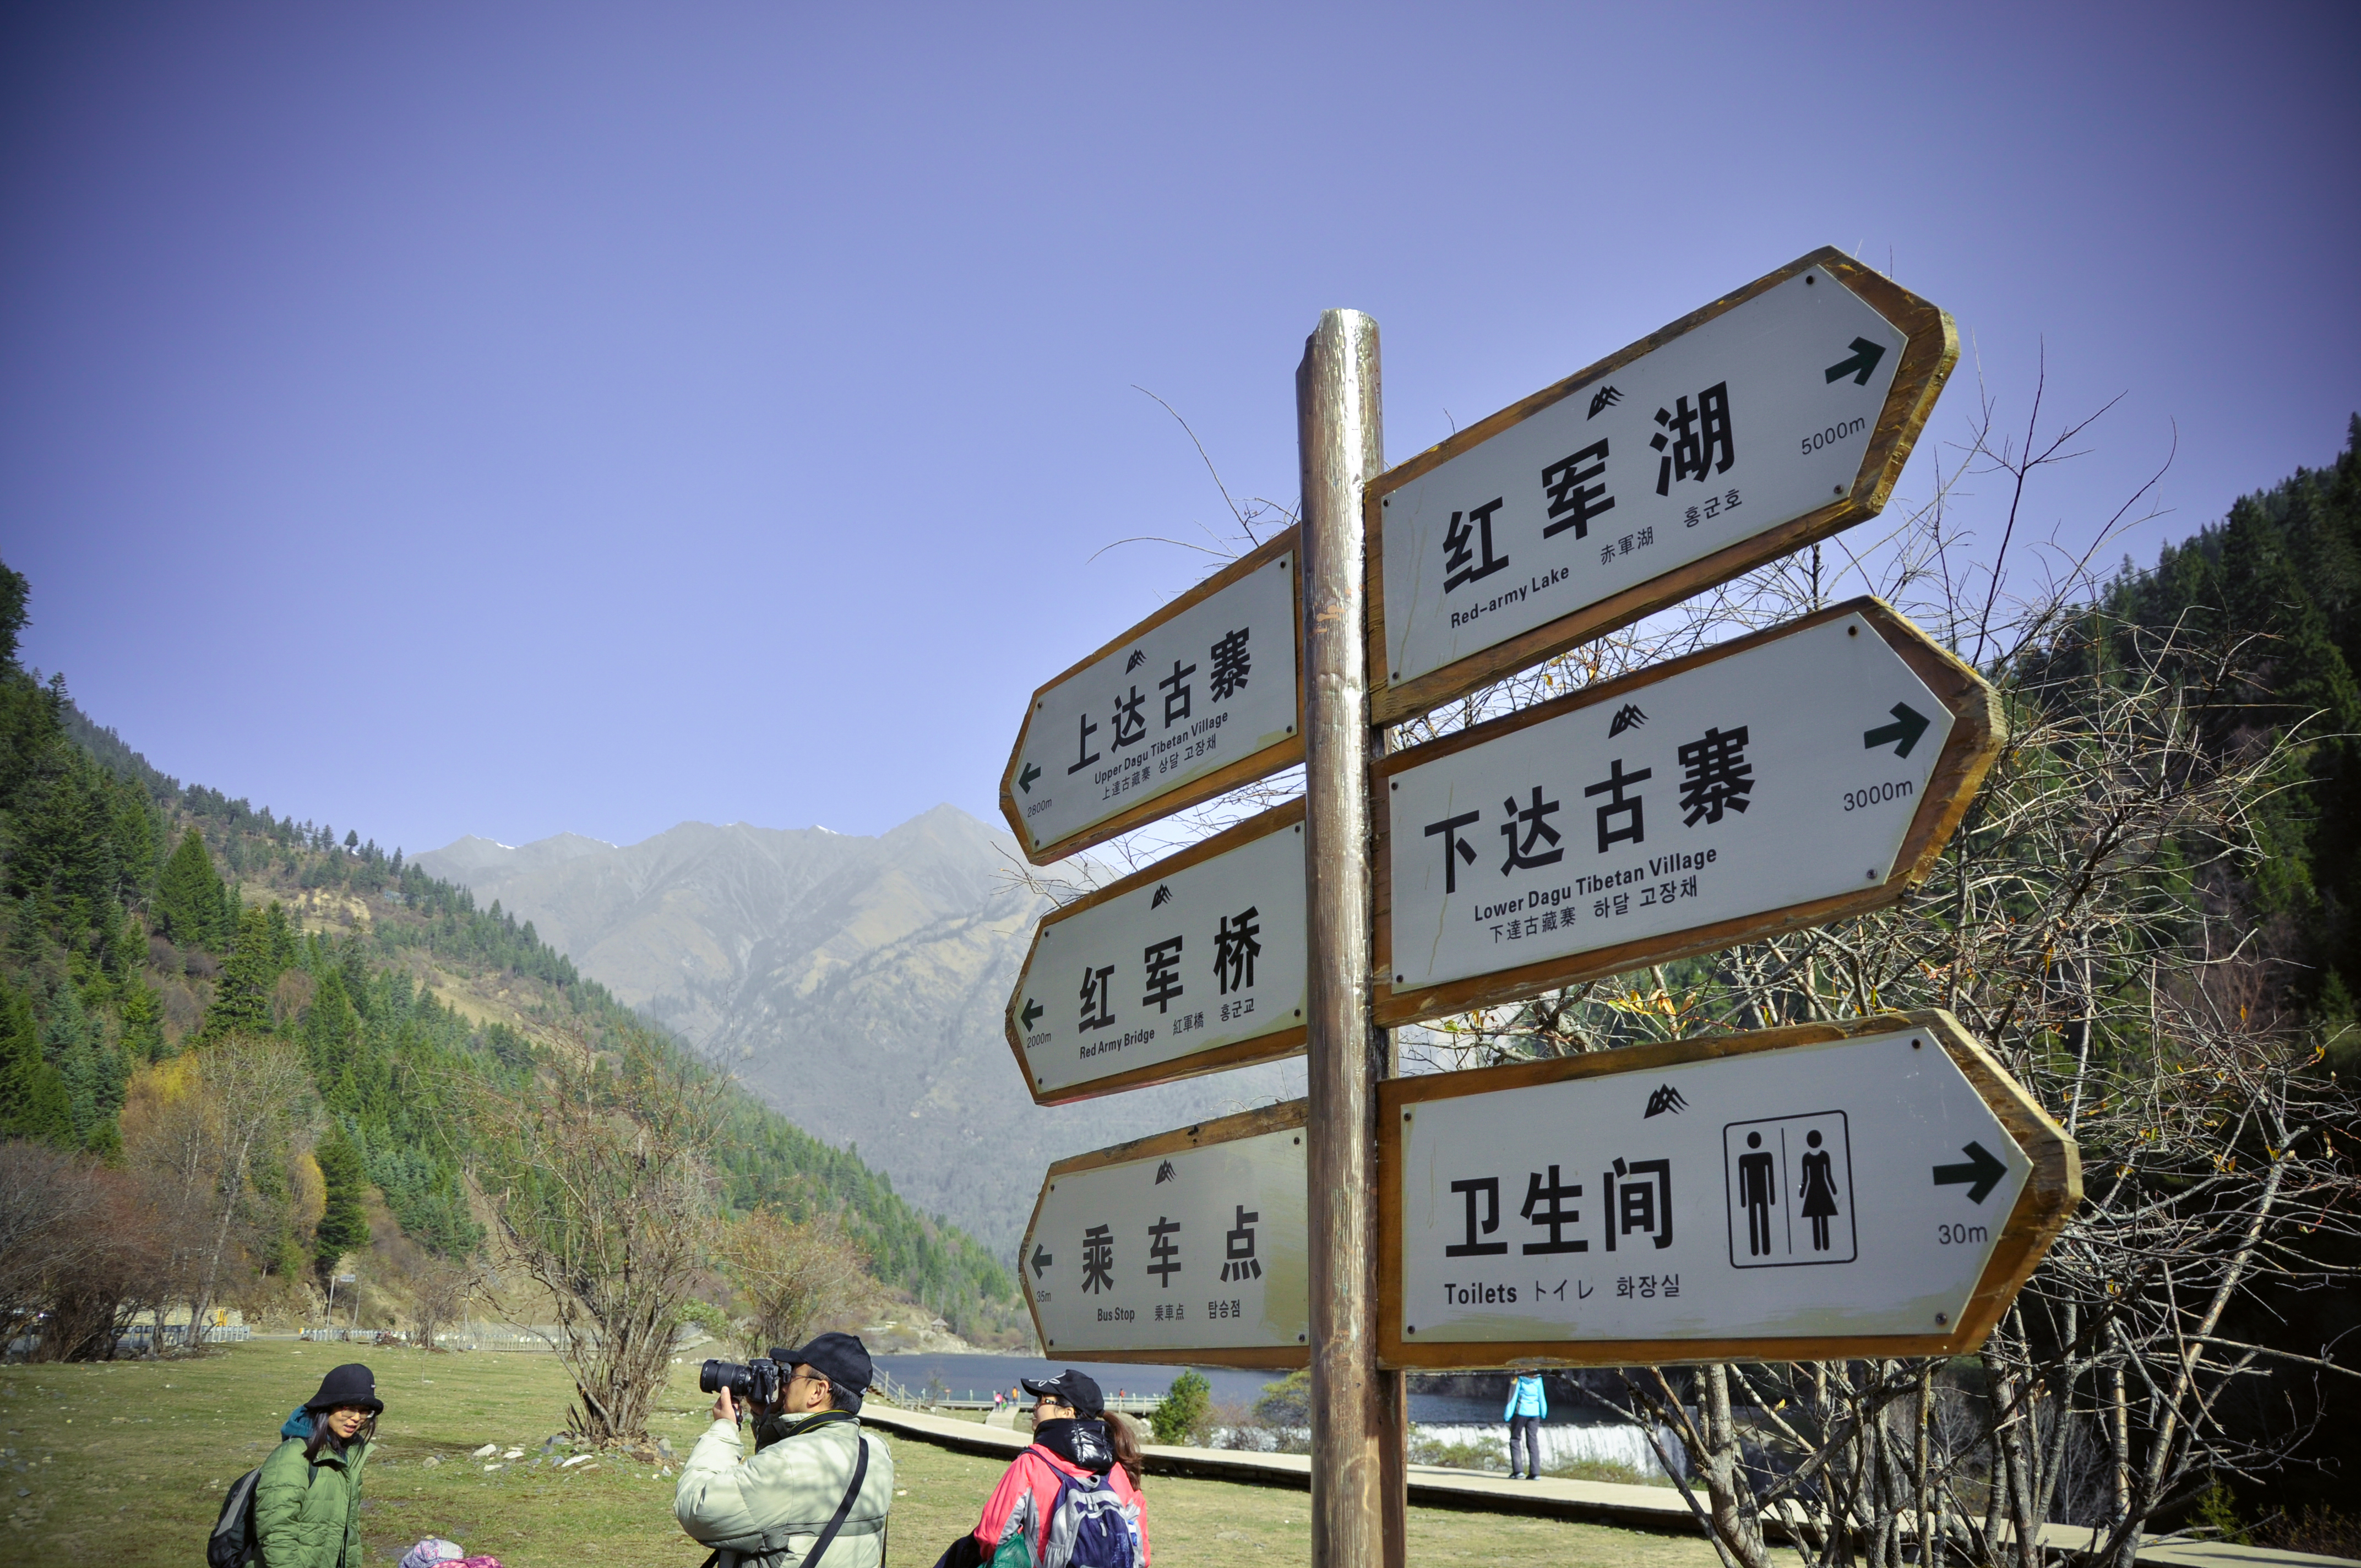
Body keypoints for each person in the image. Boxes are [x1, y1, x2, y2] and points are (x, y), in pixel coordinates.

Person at [675, 1331, 895, 1567]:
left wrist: (724, 1429)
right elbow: (790, 1514)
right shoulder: (876, 1452)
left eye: (791, 1377)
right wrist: (766, 1418)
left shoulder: (791, 1463)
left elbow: (697, 1510)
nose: (783, 1386)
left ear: (818, 1391)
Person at [937, 1369, 1148, 1567]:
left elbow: (992, 1536)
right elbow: (1141, 1555)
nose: (1035, 1407)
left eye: (1043, 1400)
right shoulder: (1119, 1470)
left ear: (1067, 1413)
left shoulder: (1031, 1464)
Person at [255, 1362, 380, 1568]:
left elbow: (349, 1532)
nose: (357, 1418)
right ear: (327, 1406)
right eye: (348, 1408)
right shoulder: (293, 1455)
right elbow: (277, 1531)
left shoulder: (350, 1456)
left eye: (365, 1411)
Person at [1504, 1371, 1547, 1481]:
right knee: (1532, 1442)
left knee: (1515, 1440)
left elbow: (1513, 1397)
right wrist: (1544, 1412)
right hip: (1535, 1414)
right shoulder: (1538, 1379)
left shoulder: (1519, 1379)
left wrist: (1508, 1415)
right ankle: (1535, 1473)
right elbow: (1542, 1396)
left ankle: (1518, 1471)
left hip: (1521, 1413)